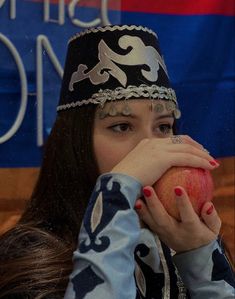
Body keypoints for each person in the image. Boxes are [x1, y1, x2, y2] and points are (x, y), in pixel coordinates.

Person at [0, 25, 234, 299]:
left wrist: (200, 259)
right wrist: (115, 194)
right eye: (122, 126)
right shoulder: (29, 260)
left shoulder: (186, 244)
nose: (151, 148)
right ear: (77, 144)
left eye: (163, 127)